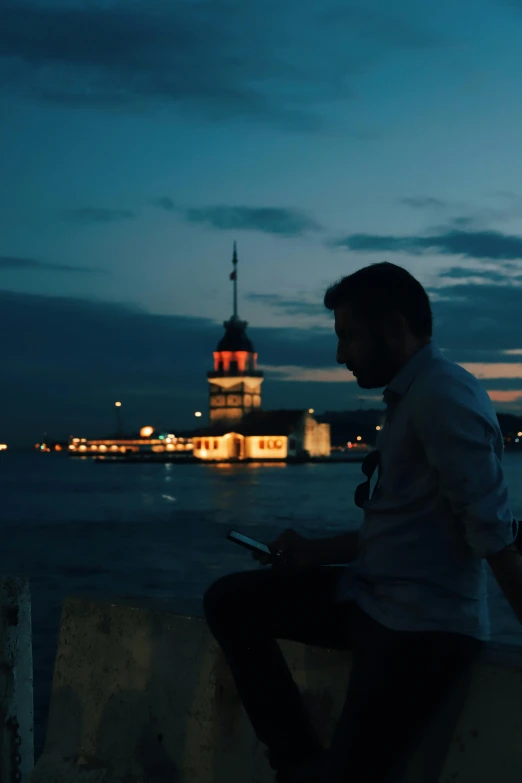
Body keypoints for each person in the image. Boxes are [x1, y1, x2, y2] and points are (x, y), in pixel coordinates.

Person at [203, 262, 522, 783]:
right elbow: (407, 527)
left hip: (421, 627)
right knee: (230, 602)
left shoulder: (442, 399)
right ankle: (299, 763)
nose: (339, 355)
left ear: (394, 329)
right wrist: (313, 551)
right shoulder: (412, 397)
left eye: (348, 337)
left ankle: (306, 767)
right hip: (377, 599)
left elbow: (491, 532)